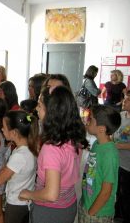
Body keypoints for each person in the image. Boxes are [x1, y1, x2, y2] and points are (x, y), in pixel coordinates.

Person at [19, 86, 88, 223]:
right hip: (68, 204)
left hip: (49, 211)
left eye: (39, 105)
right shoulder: (73, 136)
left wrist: (28, 194)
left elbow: (51, 194)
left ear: (51, 112)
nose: (36, 109)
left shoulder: (51, 148)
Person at [79, 105, 121, 223]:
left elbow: (107, 191)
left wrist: (91, 212)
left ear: (101, 129)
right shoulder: (97, 144)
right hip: (87, 203)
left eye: (90, 119)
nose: (87, 121)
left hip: (97, 213)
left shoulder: (109, 154)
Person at [0, 110, 39, 223]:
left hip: (16, 204)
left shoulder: (19, 156)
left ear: (14, 132)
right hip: (25, 202)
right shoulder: (29, 147)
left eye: (4, 127)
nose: (2, 129)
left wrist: (5, 167)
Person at [113, 89, 130, 223]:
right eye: (125, 98)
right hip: (117, 162)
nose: (124, 101)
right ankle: (118, 216)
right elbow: (114, 133)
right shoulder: (121, 115)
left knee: (128, 196)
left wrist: (119, 146)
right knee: (118, 193)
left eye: (129, 100)